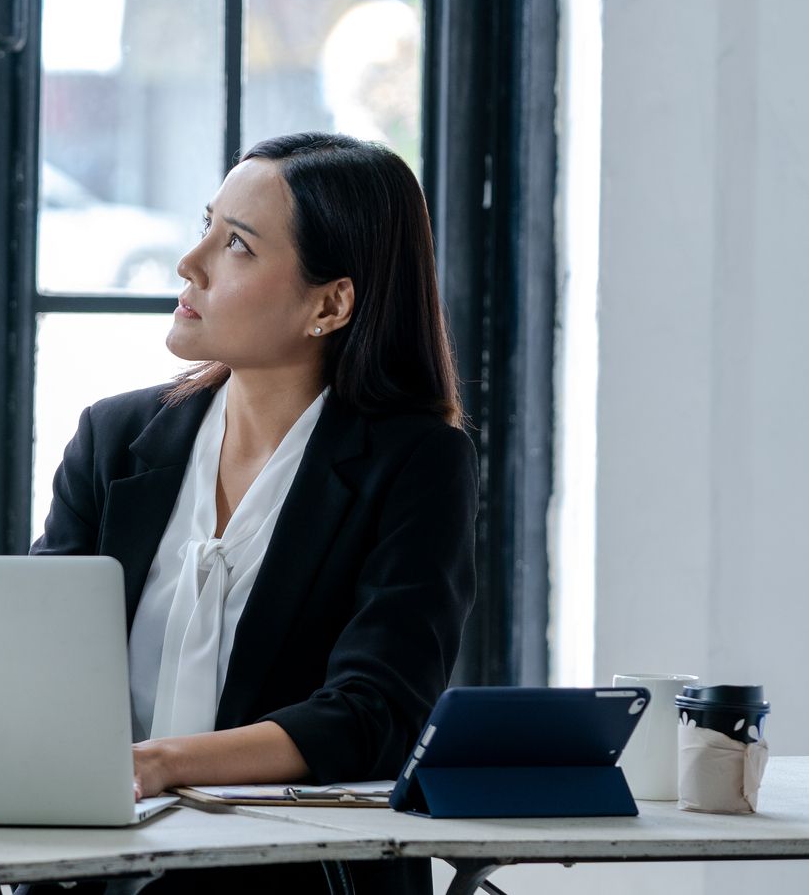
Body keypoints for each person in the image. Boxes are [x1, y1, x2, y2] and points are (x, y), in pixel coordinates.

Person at [32, 132, 477, 895]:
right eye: (205, 224)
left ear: (330, 304)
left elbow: (371, 715)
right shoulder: (113, 438)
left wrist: (159, 762)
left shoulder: (417, 462)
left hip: (295, 878)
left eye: (235, 244)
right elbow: (30, 656)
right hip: (87, 866)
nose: (189, 262)